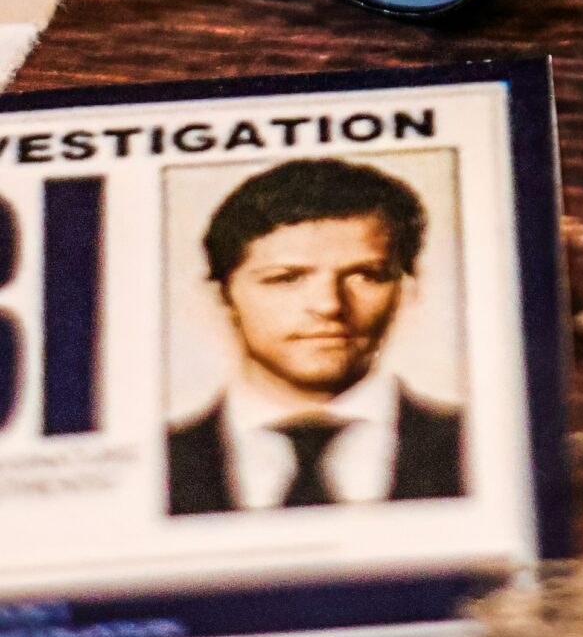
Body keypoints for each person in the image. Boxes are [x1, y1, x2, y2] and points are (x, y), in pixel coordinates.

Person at [166, 158, 463, 514]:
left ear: (407, 290)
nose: (329, 305)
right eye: (286, 278)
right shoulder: (157, 461)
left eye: (366, 275)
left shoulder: (481, 442)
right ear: (221, 296)